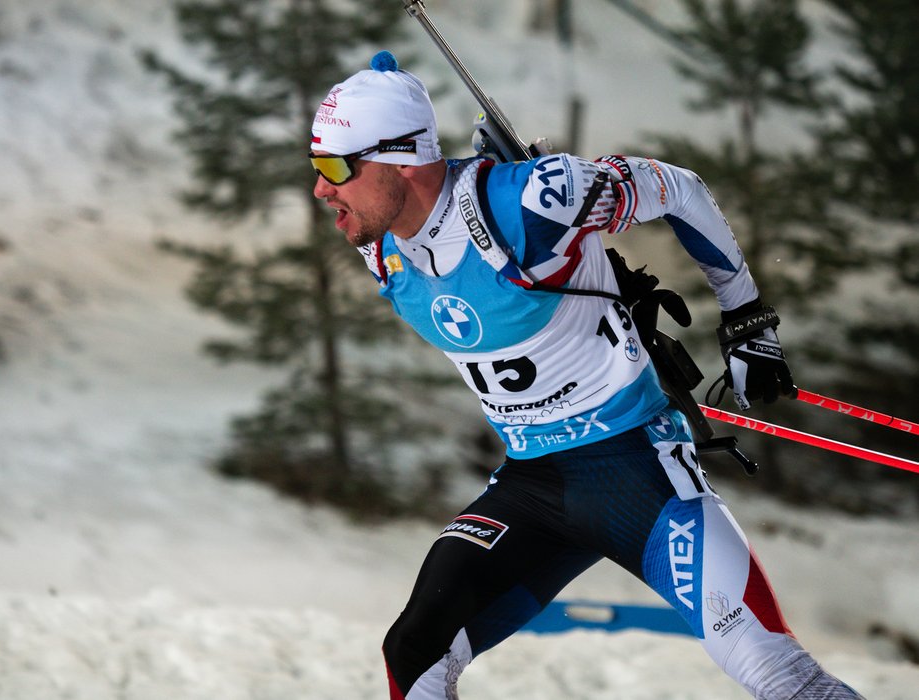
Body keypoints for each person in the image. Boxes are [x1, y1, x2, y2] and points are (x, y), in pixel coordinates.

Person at [309, 51, 863, 700]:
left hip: (636, 476)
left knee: (784, 678)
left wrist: (746, 316)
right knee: (414, 653)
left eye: (336, 167)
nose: (322, 190)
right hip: (532, 483)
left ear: (402, 157)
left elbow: (678, 188)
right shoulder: (380, 246)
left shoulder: (529, 202)